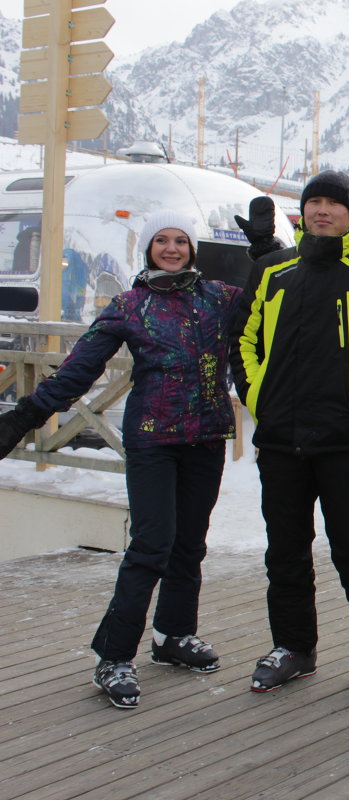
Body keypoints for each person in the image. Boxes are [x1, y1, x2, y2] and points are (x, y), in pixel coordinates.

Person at [0, 211, 241, 709]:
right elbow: (79, 370)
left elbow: (273, 297)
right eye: (161, 240)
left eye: (180, 240)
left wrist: (265, 248)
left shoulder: (218, 298)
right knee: (151, 544)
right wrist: (24, 415)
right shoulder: (131, 306)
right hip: (153, 440)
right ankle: (113, 656)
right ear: (148, 248)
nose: (172, 248)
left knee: (189, 544)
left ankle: (173, 635)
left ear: (192, 248)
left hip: (207, 437)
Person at [232, 170, 349, 702]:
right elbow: (242, 337)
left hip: (347, 440)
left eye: (334, 204)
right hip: (282, 441)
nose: (322, 210)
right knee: (285, 551)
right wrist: (258, 397)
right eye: (314, 202)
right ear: (303, 212)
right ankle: (293, 647)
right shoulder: (272, 270)